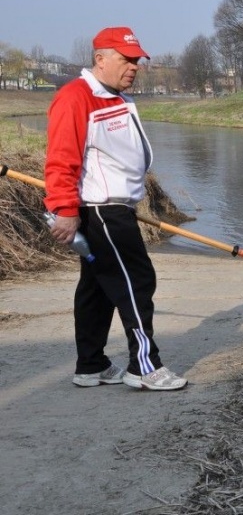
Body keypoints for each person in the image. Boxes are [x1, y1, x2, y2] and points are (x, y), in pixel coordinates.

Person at [44, 26, 186, 391]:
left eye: (136, 60)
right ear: (100, 59)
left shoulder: (116, 97)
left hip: (116, 208)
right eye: (125, 59)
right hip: (102, 212)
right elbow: (61, 160)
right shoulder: (76, 97)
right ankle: (144, 367)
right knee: (136, 282)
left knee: (98, 287)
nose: (133, 67)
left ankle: (90, 365)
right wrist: (63, 208)